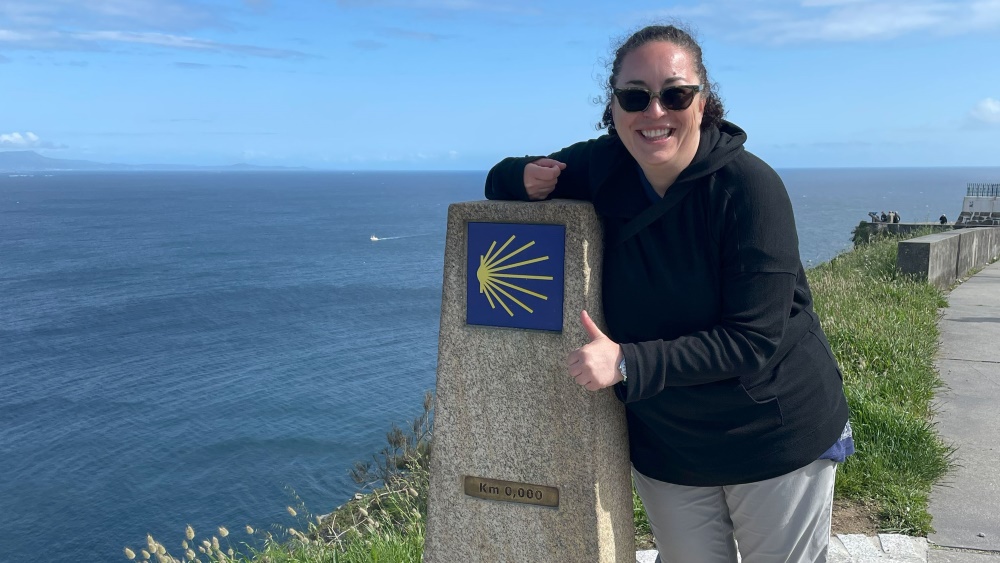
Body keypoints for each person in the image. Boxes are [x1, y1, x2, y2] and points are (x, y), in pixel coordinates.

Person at [485, 23, 852, 563]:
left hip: (772, 434)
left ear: (703, 104)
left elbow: (752, 339)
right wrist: (522, 178)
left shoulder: (750, 189)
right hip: (672, 445)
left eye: (675, 94)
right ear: (613, 108)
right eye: (635, 97)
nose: (654, 112)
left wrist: (627, 362)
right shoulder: (605, 165)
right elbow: (502, 177)